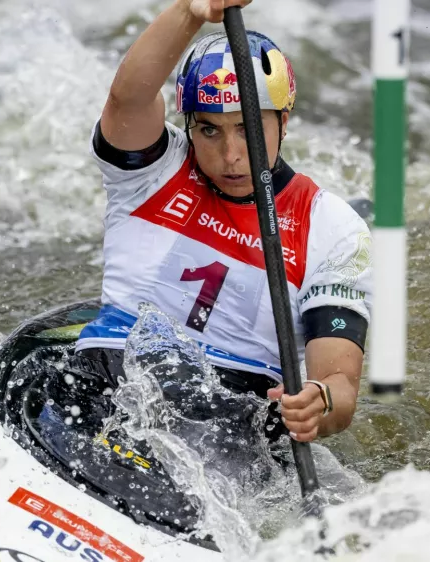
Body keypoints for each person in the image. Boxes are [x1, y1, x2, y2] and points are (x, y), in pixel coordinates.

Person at [75, 0, 374, 444]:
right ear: (189, 125)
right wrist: (190, 11)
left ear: (283, 122)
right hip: (111, 378)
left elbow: (340, 385)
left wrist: (320, 402)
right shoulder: (152, 171)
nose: (231, 155)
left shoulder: (333, 228)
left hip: (232, 418)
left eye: (247, 129)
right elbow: (128, 98)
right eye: (209, 130)